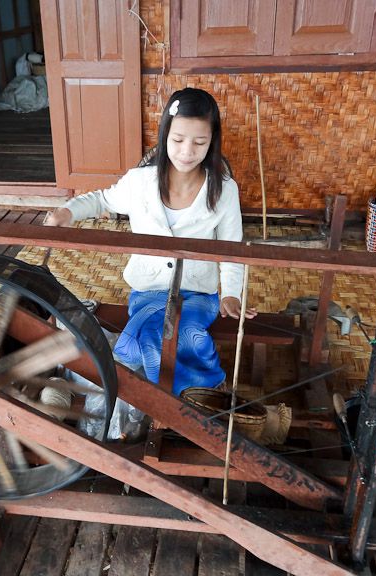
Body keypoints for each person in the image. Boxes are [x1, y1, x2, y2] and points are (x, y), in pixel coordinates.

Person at [46, 87, 256, 397]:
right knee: (138, 345)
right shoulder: (140, 182)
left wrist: (232, 294)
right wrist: (69, 212)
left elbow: (232, 247)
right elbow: (103, 200)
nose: (187, 152)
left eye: (199, 142)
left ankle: (194, 395)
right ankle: (188, 396)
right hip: (149, 290)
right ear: (164, 135)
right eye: (178, 140)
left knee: (182, 335)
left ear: (212, 142)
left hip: (197, 293)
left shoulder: (223, 190)